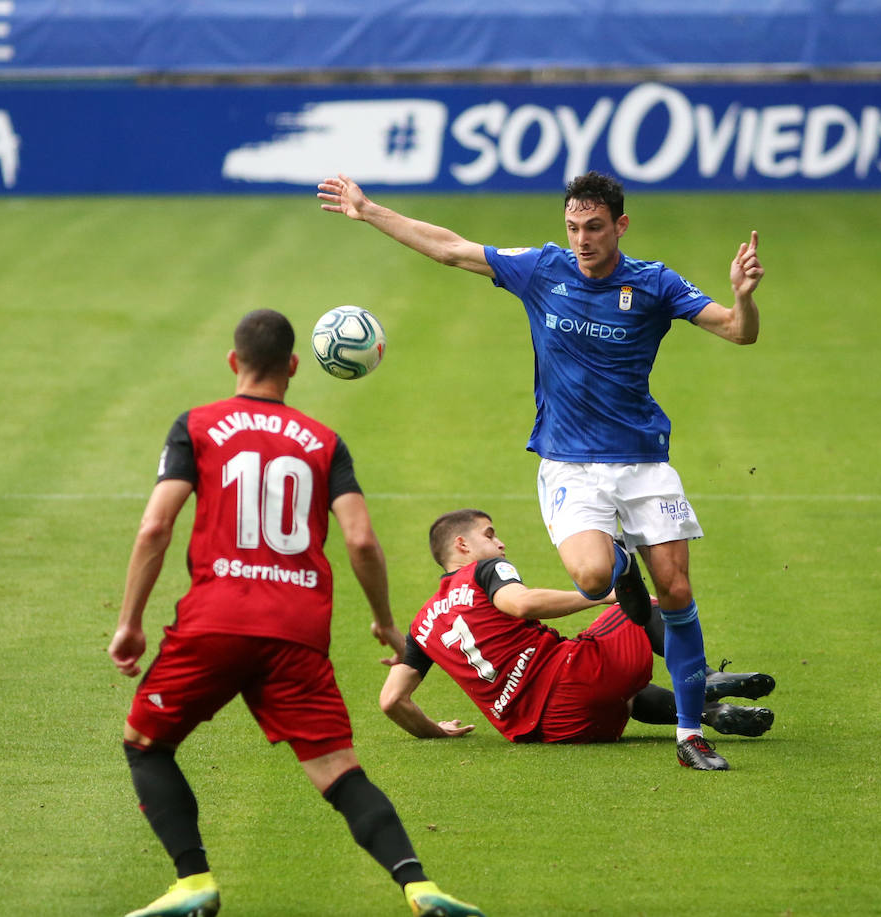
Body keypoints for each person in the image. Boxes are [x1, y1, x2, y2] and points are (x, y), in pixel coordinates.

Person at [317, 171, 764, 770]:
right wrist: (369, 210)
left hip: (642, 462)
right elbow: (450, 248)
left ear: (620, 226)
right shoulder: (542, 268)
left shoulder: (654, 283)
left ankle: (690, 738)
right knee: (592, 577)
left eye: (595, 228)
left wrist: (743, 297)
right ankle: (625, 565)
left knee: (678, 593)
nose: (582, 239)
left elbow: (738, 334)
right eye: (574, 227)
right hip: (570, 465)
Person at [107, 310, 483, 917]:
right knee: (340, 772)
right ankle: (420, 887)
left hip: (214, 622)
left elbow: (156, 525)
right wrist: (387, 622)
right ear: (293, 366)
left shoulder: (198, 425)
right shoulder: (324, 441)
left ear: (234, 362)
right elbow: (360, 539)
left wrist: (129, 621)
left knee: (146, 744)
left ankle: (193, 882)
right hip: (296, 632)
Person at [379, 509, 776, 746]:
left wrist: (434, 732)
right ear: (462, 546)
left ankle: (710, 712)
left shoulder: (422, 624)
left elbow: (392, 701)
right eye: (490, 534)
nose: (500, 544)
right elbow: (521, 603)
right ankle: (704, 677)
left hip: (555, 729)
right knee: (647, 603)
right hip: (572, 679)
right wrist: (605, 596)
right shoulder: (484, 571)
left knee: (624, 692)